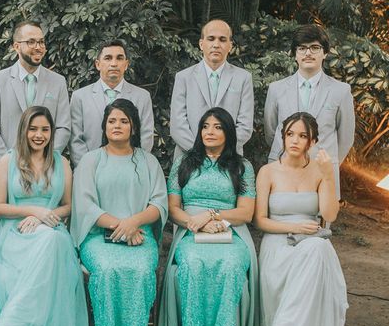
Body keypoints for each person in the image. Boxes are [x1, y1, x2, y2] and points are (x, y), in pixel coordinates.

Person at [146, 107, 264, 326]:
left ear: (228, 133)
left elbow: (246, 212)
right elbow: (173, 207)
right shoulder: (184, 163)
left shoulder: (242, 166)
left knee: (231, 264)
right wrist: (193, 222)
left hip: (230, 231)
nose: (210, 132)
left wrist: (214, 217)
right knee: (194, 264)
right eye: (205, 127)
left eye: (218, 127)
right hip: (190, 231)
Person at [0, 105, 92, 326]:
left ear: (52, 133)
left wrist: (48, 217)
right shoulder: (8, 162)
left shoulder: (62, 163)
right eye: (33, 129)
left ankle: (15, 318)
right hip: (16, 232)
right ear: (24, 130)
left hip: (51, 228)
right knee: (50, 241)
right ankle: (17, 320)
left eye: (45, 129)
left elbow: (68, 205)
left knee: (53, 238)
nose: (39, 135)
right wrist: (33, 213)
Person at [71, 98, 167, 326]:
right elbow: (85, 205)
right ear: (104, 126)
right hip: (99, 237)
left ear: (134, 127)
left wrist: (134, 223)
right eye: (112, 121)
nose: (117, 125)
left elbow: (159, 202)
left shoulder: (148, 162)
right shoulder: (91, 160)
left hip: (140, 235)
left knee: (139, 269)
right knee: (108, 269)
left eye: (124, 121)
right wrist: (120, 227)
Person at [255, 112, 348, 326]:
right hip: (278, 240)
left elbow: (329, 214)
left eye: (303, 135)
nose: (295, 140)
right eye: (290, 134)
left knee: (319, 248)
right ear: (283, 137)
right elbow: (260, 221)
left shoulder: (319, 172)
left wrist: (329, 176)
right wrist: (293, 226)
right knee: (317, 249)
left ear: (313, 141)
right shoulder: (268, 172)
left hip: (310, 242)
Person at [264, 24, 355, 197]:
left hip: (322, 172)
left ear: (325, 53)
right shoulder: (276, 89)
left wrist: (327, 161)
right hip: (282, 167)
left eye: (315, 48)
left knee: (318, 223)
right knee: (278, 221)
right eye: (302, 48)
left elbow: (346, 138)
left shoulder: (341, 91)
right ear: (295, 54)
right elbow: (271, 131)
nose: (308, 53)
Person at [0, 20, 71, 163]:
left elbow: (63, 127)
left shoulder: (58, 82)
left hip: (46, 170)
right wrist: (9, 163)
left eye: (41, 42)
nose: (38, 47)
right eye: (31, 42)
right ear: (16, 47)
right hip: (6, 170)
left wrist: (45, 160)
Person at [170, 19, 253, 158]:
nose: (216, 44)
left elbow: (245, 125)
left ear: (230, 46)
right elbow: (178, 125)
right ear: (201, 44)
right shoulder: (183, 78)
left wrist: (221, 150)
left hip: (229, 158)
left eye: (222, 39)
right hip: (189, 157)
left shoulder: (243, 78)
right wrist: (200, 152)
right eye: (211, 39)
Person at [70, 39, 154, 166]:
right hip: (90, 171)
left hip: (131, 168)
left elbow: (146, 136)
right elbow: (75, 139)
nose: (114, 63)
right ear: (98, 64)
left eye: (119, 58)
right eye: (108, 58)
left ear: (126, 64)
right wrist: (87, 168)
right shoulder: (80, 97)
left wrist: (134, 165)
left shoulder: (142, 97)